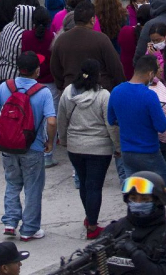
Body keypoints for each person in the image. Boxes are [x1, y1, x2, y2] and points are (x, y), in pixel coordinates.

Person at [109, 54, 166, 243]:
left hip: (127, 153)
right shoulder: (149, 96)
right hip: (149, 152)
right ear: (150, 74)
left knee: (135, 195)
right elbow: (161, 126)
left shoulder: (117, 91)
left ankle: (136, 232)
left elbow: (112, 120)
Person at [0, 52, 57, 241]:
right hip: (32, 147)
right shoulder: (43, 92)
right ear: (37, 71)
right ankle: (29, 229)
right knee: (33, 188)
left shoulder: (5, 87)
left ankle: (10, 222)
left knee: (12, 183)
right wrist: (49, 142)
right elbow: (52, 122)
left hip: (8, 145)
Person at [56, 58, 119, 238]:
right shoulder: (103, 95)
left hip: (75, 147)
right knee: (94, 187)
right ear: (98, 75)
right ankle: (92, 226)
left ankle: (89, 217)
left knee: (84, 183)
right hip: (99, 149)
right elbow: (111, 125)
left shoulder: (68, 92)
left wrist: (63, 139)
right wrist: (118, 146)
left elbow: (61, 119)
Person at [101, 173, 166, 275]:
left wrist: (135, 254)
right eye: (133, 199)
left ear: (157, 201)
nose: (138, 203)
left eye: (144, 199)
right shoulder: (114, 229)